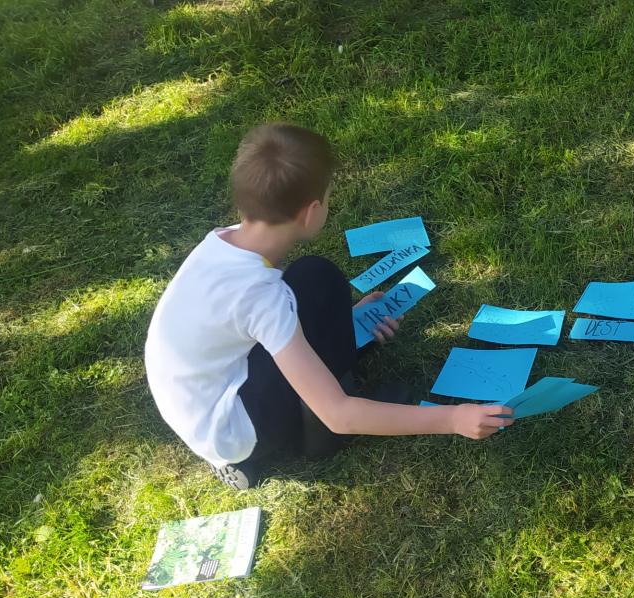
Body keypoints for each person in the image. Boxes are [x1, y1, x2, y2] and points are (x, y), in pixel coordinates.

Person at [144, 123, 512, 490]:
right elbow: (338, 414)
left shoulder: (221, 242)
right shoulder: (264, 297)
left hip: (198, 406)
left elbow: (250, 315)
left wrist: (347, 320)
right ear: (311, 211)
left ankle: (309, 396)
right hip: (232, 430)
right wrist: (454, 419)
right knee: (327, 388)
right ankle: (314, 439)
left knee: (315, 275)